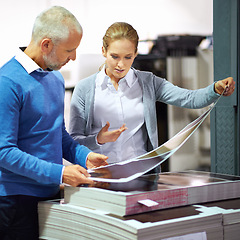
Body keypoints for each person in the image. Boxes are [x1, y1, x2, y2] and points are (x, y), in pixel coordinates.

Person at [0, 6, 108, 240]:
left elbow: (57, 135)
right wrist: (59, 173)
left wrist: (84, 156)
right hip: (15, 203)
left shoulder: (55, 78)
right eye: (70, 50)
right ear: (46, 44)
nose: (74, 57)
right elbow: (4, 153)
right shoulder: (7, 82)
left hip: (51, 195)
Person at [69, 22, 235, 166]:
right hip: (100, 175)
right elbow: (73, 141)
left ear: (135, 53)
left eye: (128, 57)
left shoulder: (148, 82)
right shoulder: (85, 89)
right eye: (114, 56)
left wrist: (215, 89)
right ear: (104, 51)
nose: (121, 64)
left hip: (140, 174)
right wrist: (98, 139)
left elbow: (189, 99)